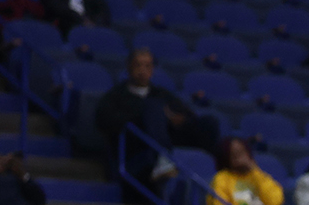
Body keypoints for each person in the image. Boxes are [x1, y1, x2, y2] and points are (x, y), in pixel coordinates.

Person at [95, 49, 222, 187]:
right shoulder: (115, 96)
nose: (142, 70)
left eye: (147, 66)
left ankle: (215, 170)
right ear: (129, 67)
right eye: (138, 65)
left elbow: (187, 115)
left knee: (209, 122)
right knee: (153, 107)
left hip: (170, 143)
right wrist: (140, 115)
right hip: (135, 151)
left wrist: (176, 120)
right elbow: (104, 121)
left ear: (153, 69)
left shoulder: (161, 94)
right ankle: (162, 158)